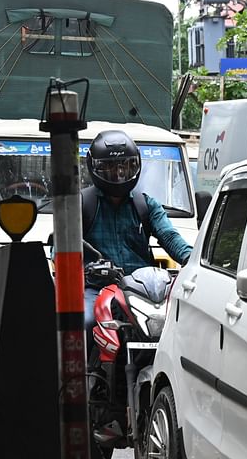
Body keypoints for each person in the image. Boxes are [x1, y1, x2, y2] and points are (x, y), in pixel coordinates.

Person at [82, 129, 192, 329]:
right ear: (94, 167)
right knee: (86, 323)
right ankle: (85, 362)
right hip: (96, 288)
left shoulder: (146, 205)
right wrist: (87, 270)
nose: (119, 174)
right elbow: (62, 250)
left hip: (142, 290)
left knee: (179, 326)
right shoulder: (82, 205)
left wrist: (192, 260)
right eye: (110, 168)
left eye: (125, 166)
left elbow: (169, 236)